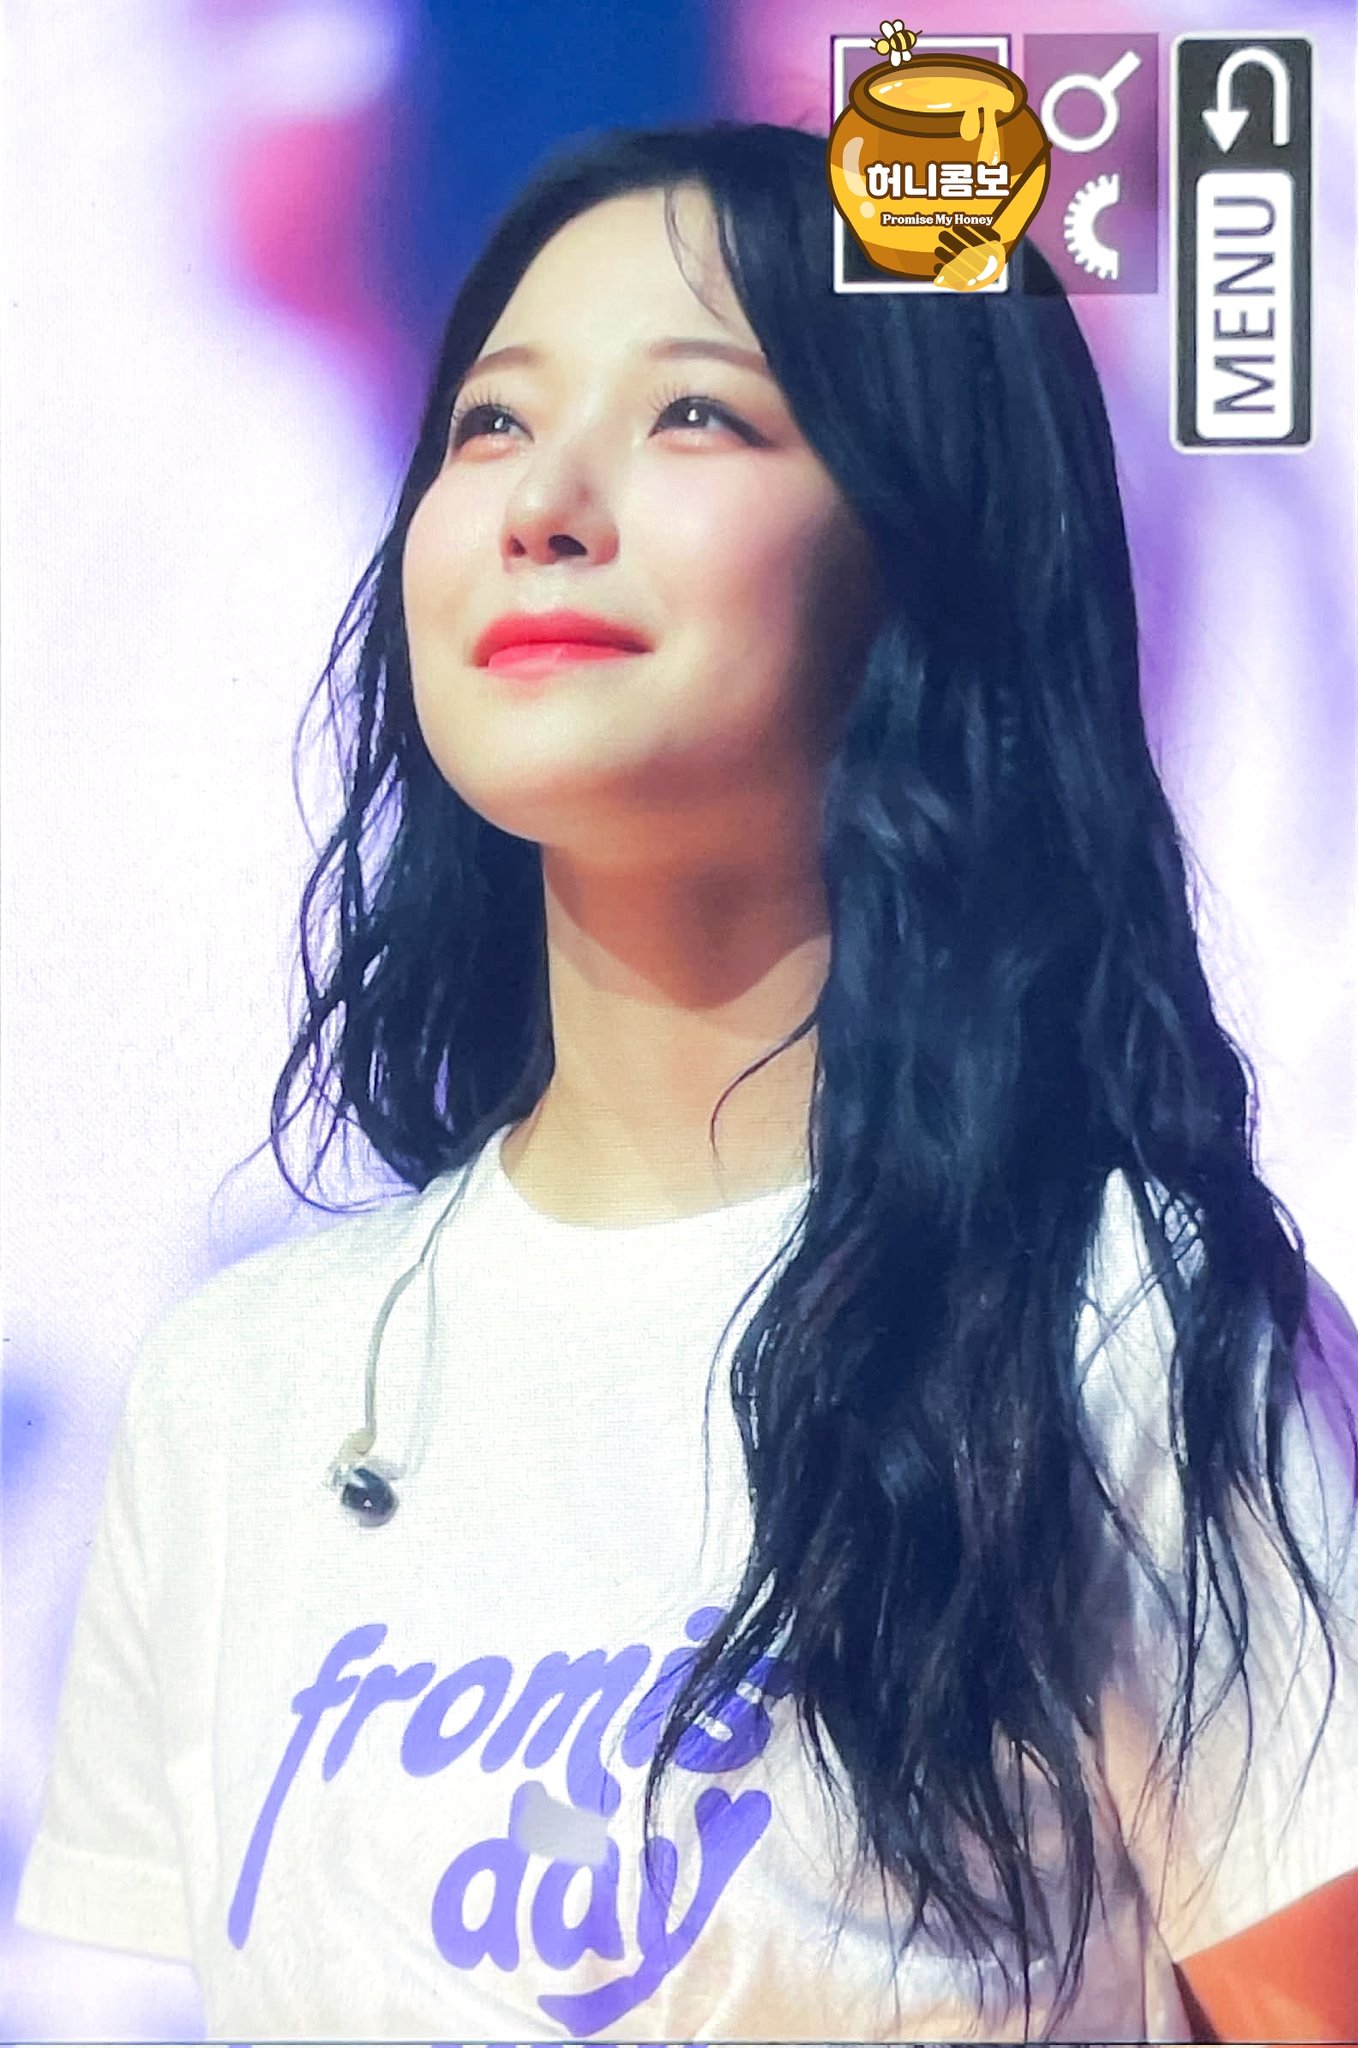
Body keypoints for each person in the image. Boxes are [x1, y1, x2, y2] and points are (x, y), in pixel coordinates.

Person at [15, 118, 1358, 2044]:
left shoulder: (1120, 1325)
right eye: (488, 423)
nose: (545, 502)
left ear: (915, 544)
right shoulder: (243, 1382)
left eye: (695, 417)